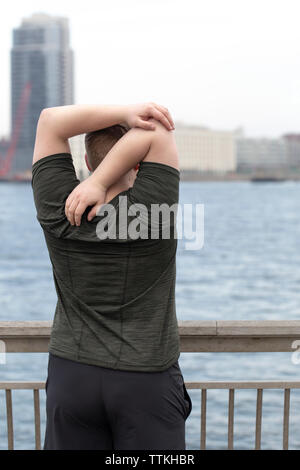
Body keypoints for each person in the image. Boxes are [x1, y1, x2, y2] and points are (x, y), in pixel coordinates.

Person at [31, 102, 192, 450]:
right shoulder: (153, 212)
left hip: (71, 375)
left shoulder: (59, 207)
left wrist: (125, 112)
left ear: (86, 162)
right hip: (146, 379)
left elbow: (50, 121)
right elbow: (160, 132)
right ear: (137, 162)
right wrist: (102, 182)